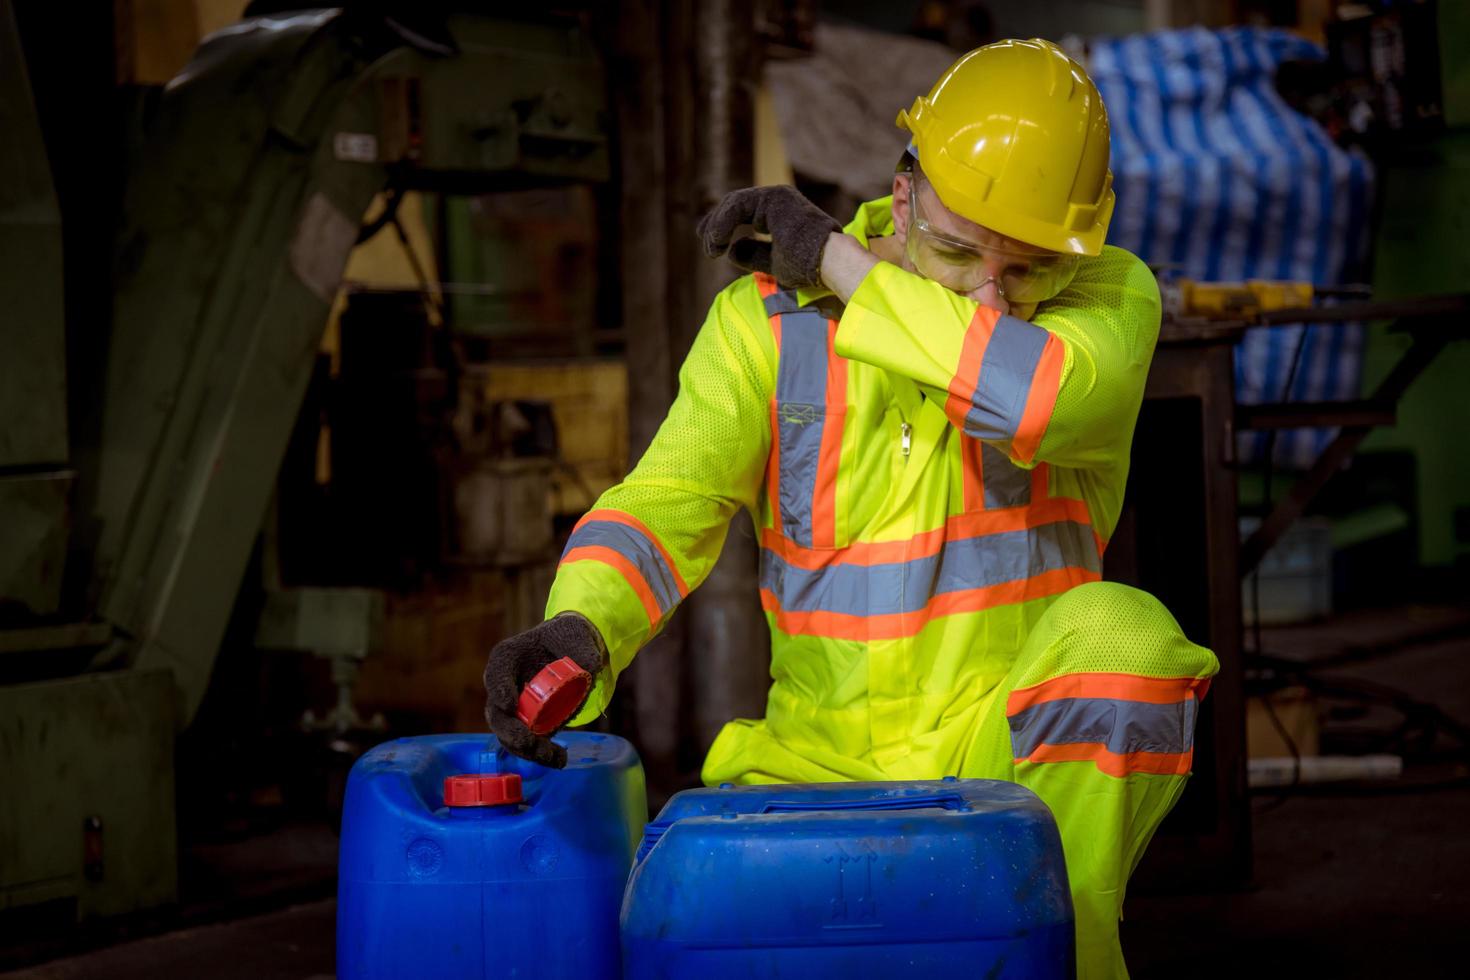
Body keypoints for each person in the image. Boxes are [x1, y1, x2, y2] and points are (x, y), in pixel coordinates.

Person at [482, 37, 1218, 979]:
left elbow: (1034, 397)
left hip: (1007, 771)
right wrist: (581, 623)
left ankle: (1052, 947)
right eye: (956, 253)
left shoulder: (1110, 298)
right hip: (808, 766)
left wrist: (840, 263)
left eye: (1027, 270)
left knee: (1130, 639)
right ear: (902, 196)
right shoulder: (767, 327)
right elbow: (667, 502)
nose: (990, 296)